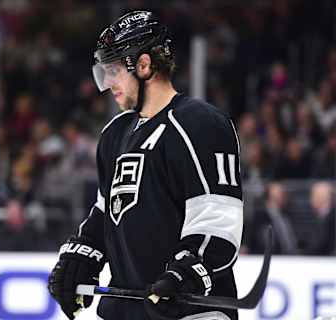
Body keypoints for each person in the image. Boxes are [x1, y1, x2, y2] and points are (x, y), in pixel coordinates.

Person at [48, 11, 243, 320]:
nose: (108, 82)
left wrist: (185, 275)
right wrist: (82, 255)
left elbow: (217, 217)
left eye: (114, 70)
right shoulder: (114, 134)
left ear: (144, 65)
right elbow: (107, 211)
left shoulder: (200, 124)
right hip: (126, 313)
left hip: (192, 314)